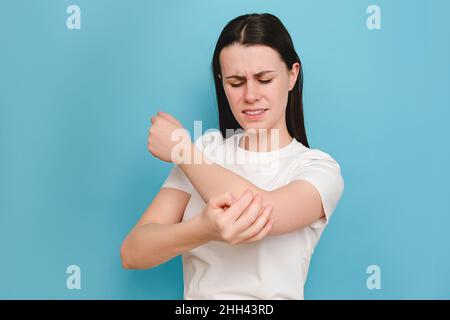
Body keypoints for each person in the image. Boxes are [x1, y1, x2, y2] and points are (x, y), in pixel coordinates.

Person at [121, 13, 344, 300]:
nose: (250, 95)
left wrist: (182, 151)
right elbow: (133, 252)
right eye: (236, 82)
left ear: (292, 75)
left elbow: (262, 216)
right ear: (221, 82)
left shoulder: (318, 169)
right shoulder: (207, 150)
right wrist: (201, 230)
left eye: (264, 79)